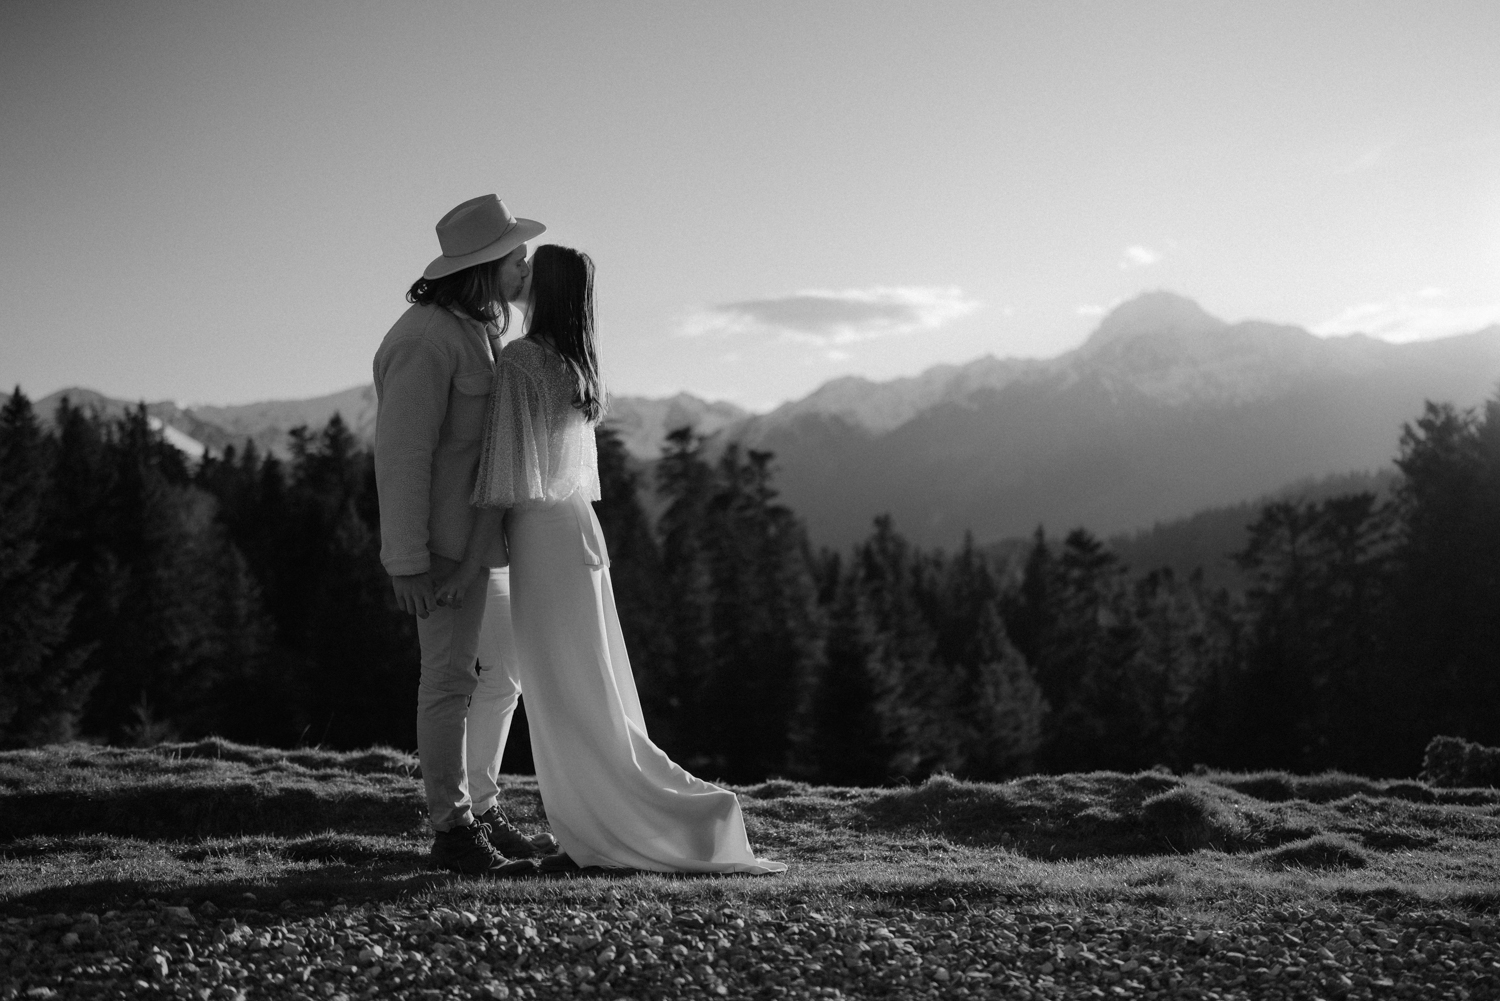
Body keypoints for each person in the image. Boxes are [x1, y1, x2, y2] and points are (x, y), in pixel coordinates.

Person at [437, 244, 785, 876]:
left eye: (529, 270)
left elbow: (501, 479)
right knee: (587, 688)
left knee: (565, 693)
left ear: (547, 288)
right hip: (575, 532)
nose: (518, 275)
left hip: (542, 539)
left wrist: (466, 565)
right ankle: (615, 822)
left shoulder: (522, 361)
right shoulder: (574, 361)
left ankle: (604, 832)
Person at [372, 194, 556, 875]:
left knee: (503, 675)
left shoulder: (475, 329)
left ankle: (482, 807)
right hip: (444, 549)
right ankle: (453, 831)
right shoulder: (424, 339)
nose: (524, 266)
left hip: (484, 544)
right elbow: (402, 456)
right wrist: (407, 560)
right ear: (483, 265)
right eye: (516, 257)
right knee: (448, 681)